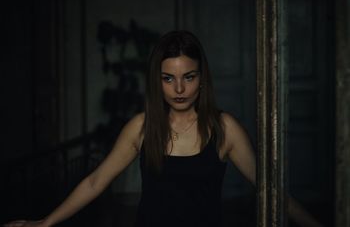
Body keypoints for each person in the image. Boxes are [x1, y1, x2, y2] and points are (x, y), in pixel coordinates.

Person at [4, 30, 323, 227]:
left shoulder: (224, 129)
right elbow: (96, 181)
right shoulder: (141, 128)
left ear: (202, 79)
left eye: (189, 77)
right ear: (157, 82)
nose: (180, 89)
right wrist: (45, 223)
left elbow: (270, 192)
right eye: (168, 78)